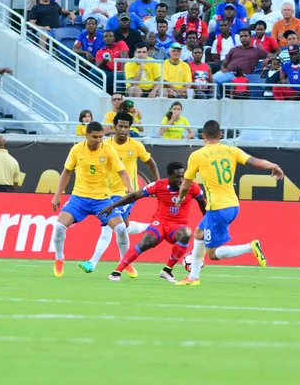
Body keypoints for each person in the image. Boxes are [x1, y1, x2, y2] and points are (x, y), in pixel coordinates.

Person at [174, 120, 284, 286]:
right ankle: (192, 277)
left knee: (212, 254)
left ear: (202, 136)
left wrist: (181, 198)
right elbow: (256, 162)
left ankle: (250, 247)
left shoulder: (197, 155)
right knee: (198, 233)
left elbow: (186, 184)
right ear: (220, 135)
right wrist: (273, 165)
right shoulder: (231, 150)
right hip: (232, 205)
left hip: (217, 208)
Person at [78, 112, 159, 274]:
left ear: (130, 128)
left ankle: (92, 263)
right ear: (114, 127)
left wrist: (158, 183)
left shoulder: (136, 146)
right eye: (120, 126)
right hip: (107, 193)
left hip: (127, 193)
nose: (123, 129)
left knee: (108, 228)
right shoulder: (105, 145)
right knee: (124, 228)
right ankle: (152, 228)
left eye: (126, 127)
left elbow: (150, 162)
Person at [50, 121, 134, 278]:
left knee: (122, 229)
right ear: (86, 135)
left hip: (102, 199)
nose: (98, 140)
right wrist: (57, 195)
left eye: (101, 137)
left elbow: (122, 172)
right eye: (94, 137)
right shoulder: (76, 150)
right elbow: (66, 172)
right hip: (79, 198)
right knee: (60, 227)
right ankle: (59, 258)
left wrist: (129, 188)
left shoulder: (108, 150)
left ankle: (125, 262)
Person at [101, 162, 207, 282]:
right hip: (160, 223)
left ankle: (167, 270)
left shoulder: (192, 186)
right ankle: (117, 271)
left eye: (183, 176)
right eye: (177, 177)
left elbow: (203, 204)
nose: (181, 180)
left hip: (177, 226)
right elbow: (135, 195)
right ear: (169, 177)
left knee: (186, 233)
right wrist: (112, 207)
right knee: (147, 242)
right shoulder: (159, 185)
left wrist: (208, 223)